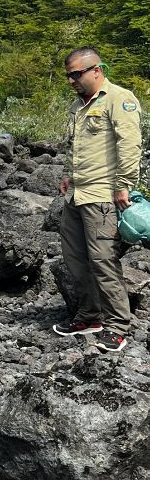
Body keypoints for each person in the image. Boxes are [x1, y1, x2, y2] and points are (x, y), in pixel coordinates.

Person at [53, 47, 142, 352]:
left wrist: (124, 185)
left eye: (76, 74)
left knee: (104, 262)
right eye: (68, 75)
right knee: (75, 261)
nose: (70, 80)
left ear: (97, 70)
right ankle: (90, 315)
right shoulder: (78, 107)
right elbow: (75, 146)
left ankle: (118, 325)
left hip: (104, 196)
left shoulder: (119, 98)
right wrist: (68, 174)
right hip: (77, 195)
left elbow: (129, 144)